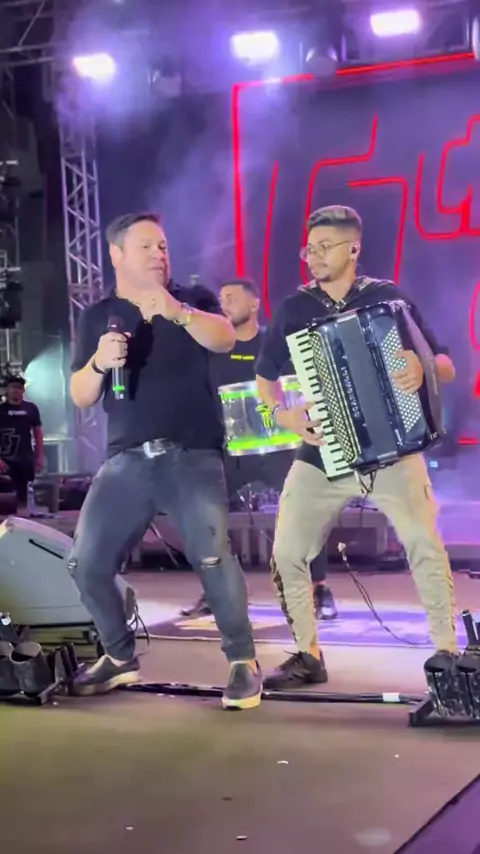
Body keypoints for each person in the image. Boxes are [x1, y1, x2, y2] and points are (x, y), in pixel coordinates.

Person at [255, 204, 458, 690]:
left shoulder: (388, 299)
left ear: (354, 249)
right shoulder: (295, 308)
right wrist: (281, 416)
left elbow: (446, 364)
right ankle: (307, 654)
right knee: (287, 551)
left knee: (424, 543)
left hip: (394, 449)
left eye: (325, 247)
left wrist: (421, 367)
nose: (313, 257)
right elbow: (263, 383)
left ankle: (449, 654)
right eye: (309, 249)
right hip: (323, 452)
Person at [68, 212, 262, 710]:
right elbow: (81, 394)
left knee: (212, 555)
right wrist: (98, 362)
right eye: (147, 246)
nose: (159, 254)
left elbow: (226, 337)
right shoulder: (97, 316)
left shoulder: (191, 299)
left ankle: (243, 662)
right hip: (126, 460)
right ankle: (118, 655)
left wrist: (179, 312)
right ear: (117, 254)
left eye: (163, 246)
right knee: (86, 563)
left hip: (191, 452)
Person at [182, 277, 338, 621]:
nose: (224, 304)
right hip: (231, 452)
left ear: (254, 304)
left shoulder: (276, 343)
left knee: (308, 510)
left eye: (232, 298)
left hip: (278, 448)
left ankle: (320, 588)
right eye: (221, 298)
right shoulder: (212, 348)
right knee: (204, 514)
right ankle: (217, 591)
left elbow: (304, 385)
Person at [0, 376, 44, 506]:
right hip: (5, 460)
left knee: (25, 497)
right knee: (7, 498)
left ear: (23, 390)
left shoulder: (31, 409)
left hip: (26, 459)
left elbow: (38, 434)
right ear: (7, 390)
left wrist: (40, 457)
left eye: (19, 388)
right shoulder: (1, 410)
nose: (16, 390)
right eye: (13, 387)